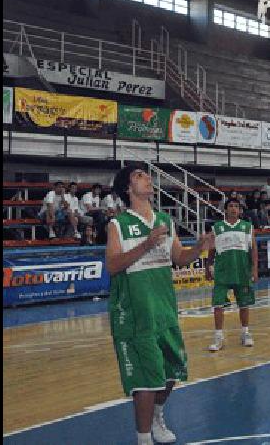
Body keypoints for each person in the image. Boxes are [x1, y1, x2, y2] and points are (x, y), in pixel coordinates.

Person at [104, 162, 216, 445]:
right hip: (135, 313)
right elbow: (113, 266)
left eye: (147, 175)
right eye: (140, 176)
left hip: (164, 308)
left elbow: (179, 258)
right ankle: (143, 439)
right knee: (145, 380)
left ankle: (156, 414)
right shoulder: (118, 224)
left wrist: (200, 248)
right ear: (128, 188)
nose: (148, 179)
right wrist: (146, 244)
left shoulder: (165, 220)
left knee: (171, 373)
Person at [206, 199, 258, 351]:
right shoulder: (217, 227)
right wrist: (207, 267)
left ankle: (245, 333)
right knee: (218, 305)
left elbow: (253, 249)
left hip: (242, 270)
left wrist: (254, 269)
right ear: (226, 209)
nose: (234, 209)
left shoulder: (247, 227)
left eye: (237, 206)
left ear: (240, 210)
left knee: (244, 304)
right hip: (222, 272)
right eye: (231, 206)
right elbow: (211, 250)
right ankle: (218, 336)